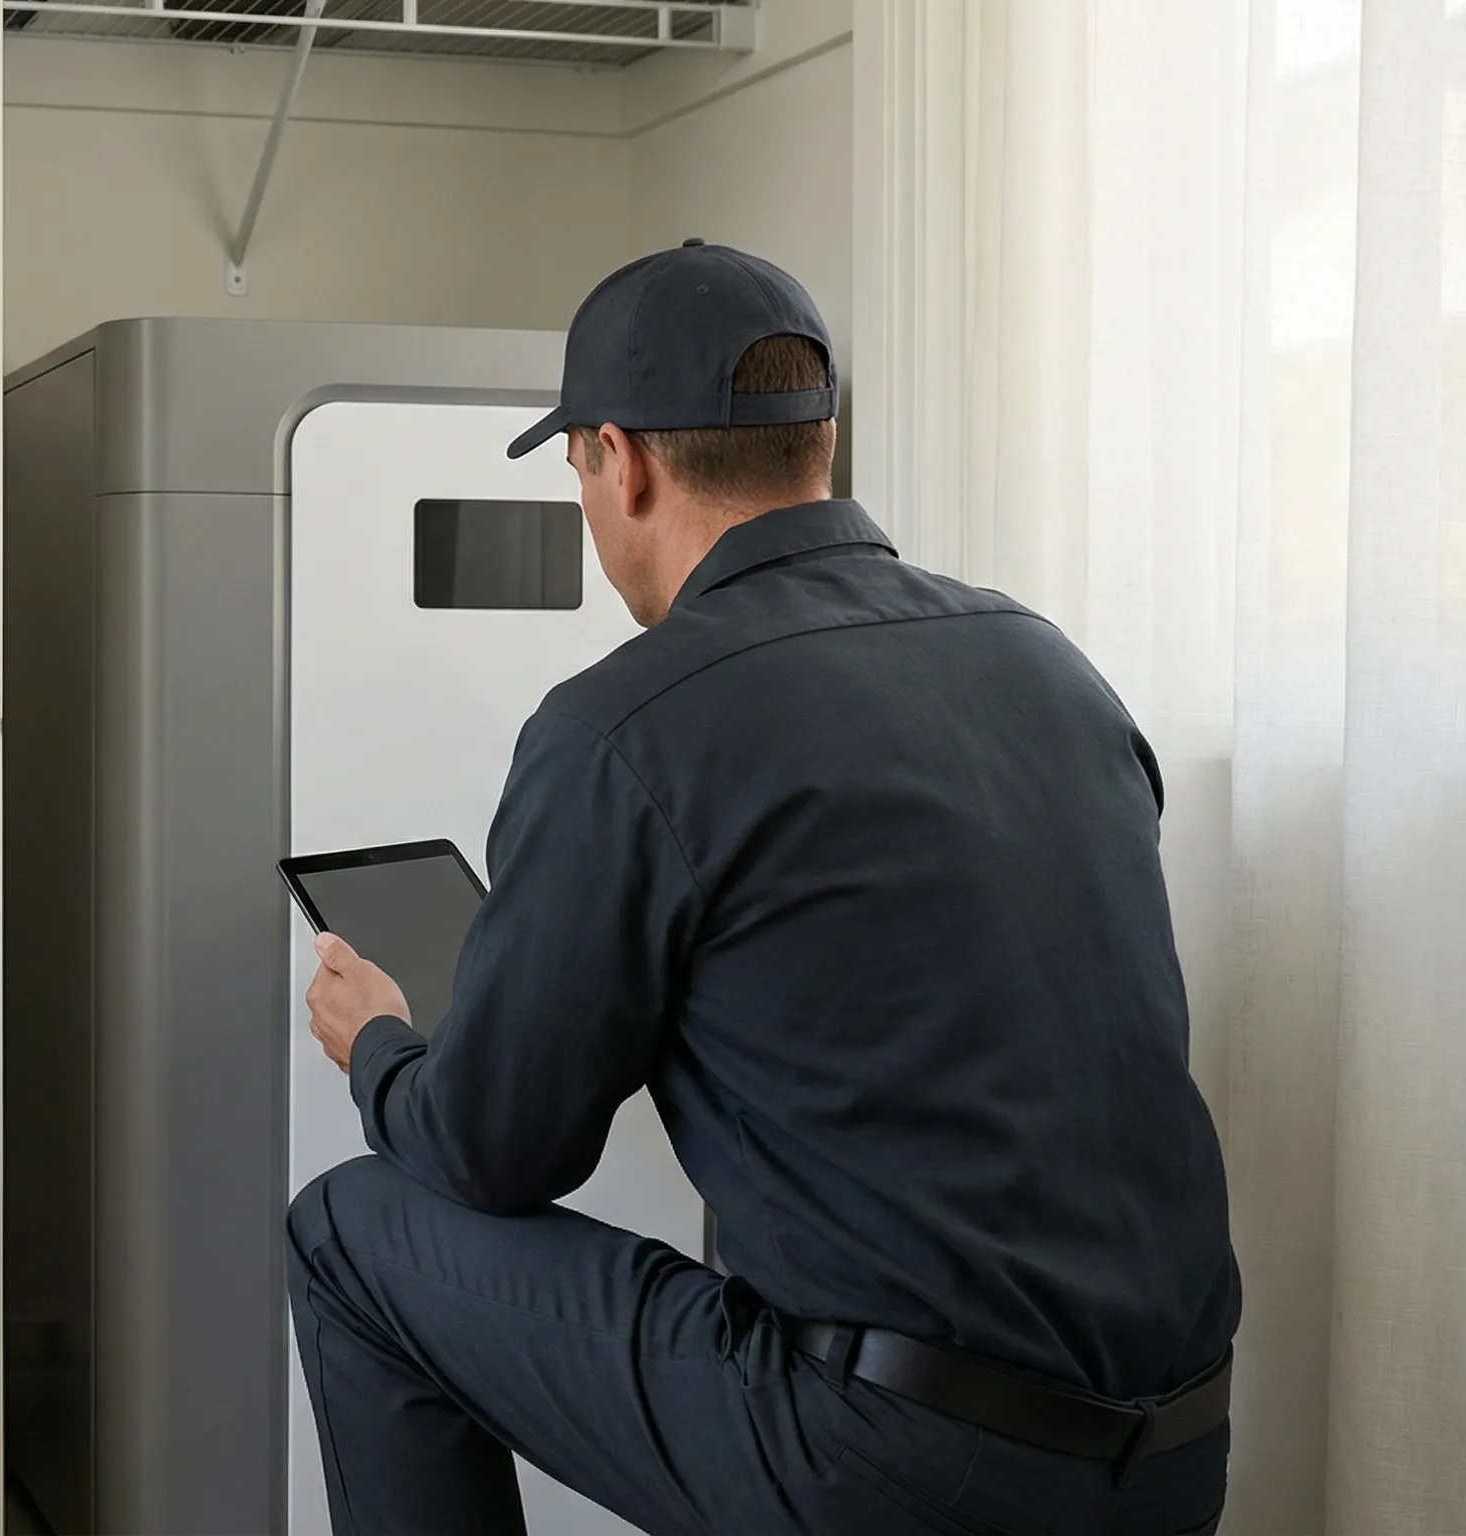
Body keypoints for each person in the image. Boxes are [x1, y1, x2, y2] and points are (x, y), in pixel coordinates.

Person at [289, 241, 1239, 1536]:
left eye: (578, 475)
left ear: (619, 461)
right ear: (820, 441)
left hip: (896, 1468)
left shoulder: (627, 723)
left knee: (352, 1229)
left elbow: (493, 1153)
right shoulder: (1046, 663)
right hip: (1174, 1454)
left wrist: (381, 1049)